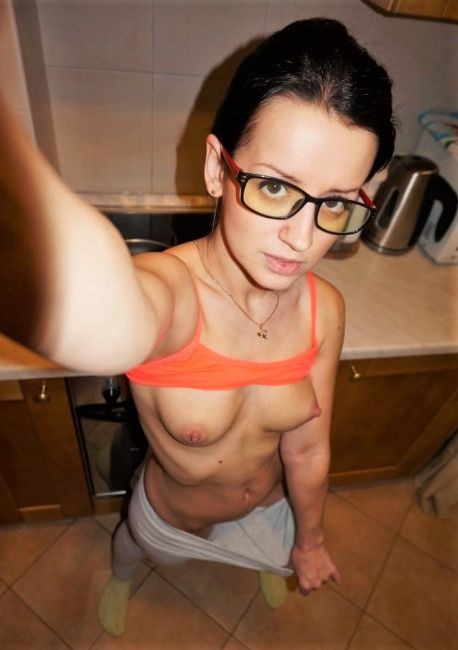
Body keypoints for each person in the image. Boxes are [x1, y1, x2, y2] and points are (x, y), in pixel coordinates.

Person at [0, 17, 395, 637]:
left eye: (336, 203)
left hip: (265, 507)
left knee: (268, 547)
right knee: (135, 549)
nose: (302, 239)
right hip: (172, 517)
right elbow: (99, 313)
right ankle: (121, 576)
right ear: (217, 168)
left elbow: (308, 448)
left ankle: (260, 554)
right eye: (274, 187)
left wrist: (309, 539)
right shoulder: (169, 296)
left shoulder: (326, 310)